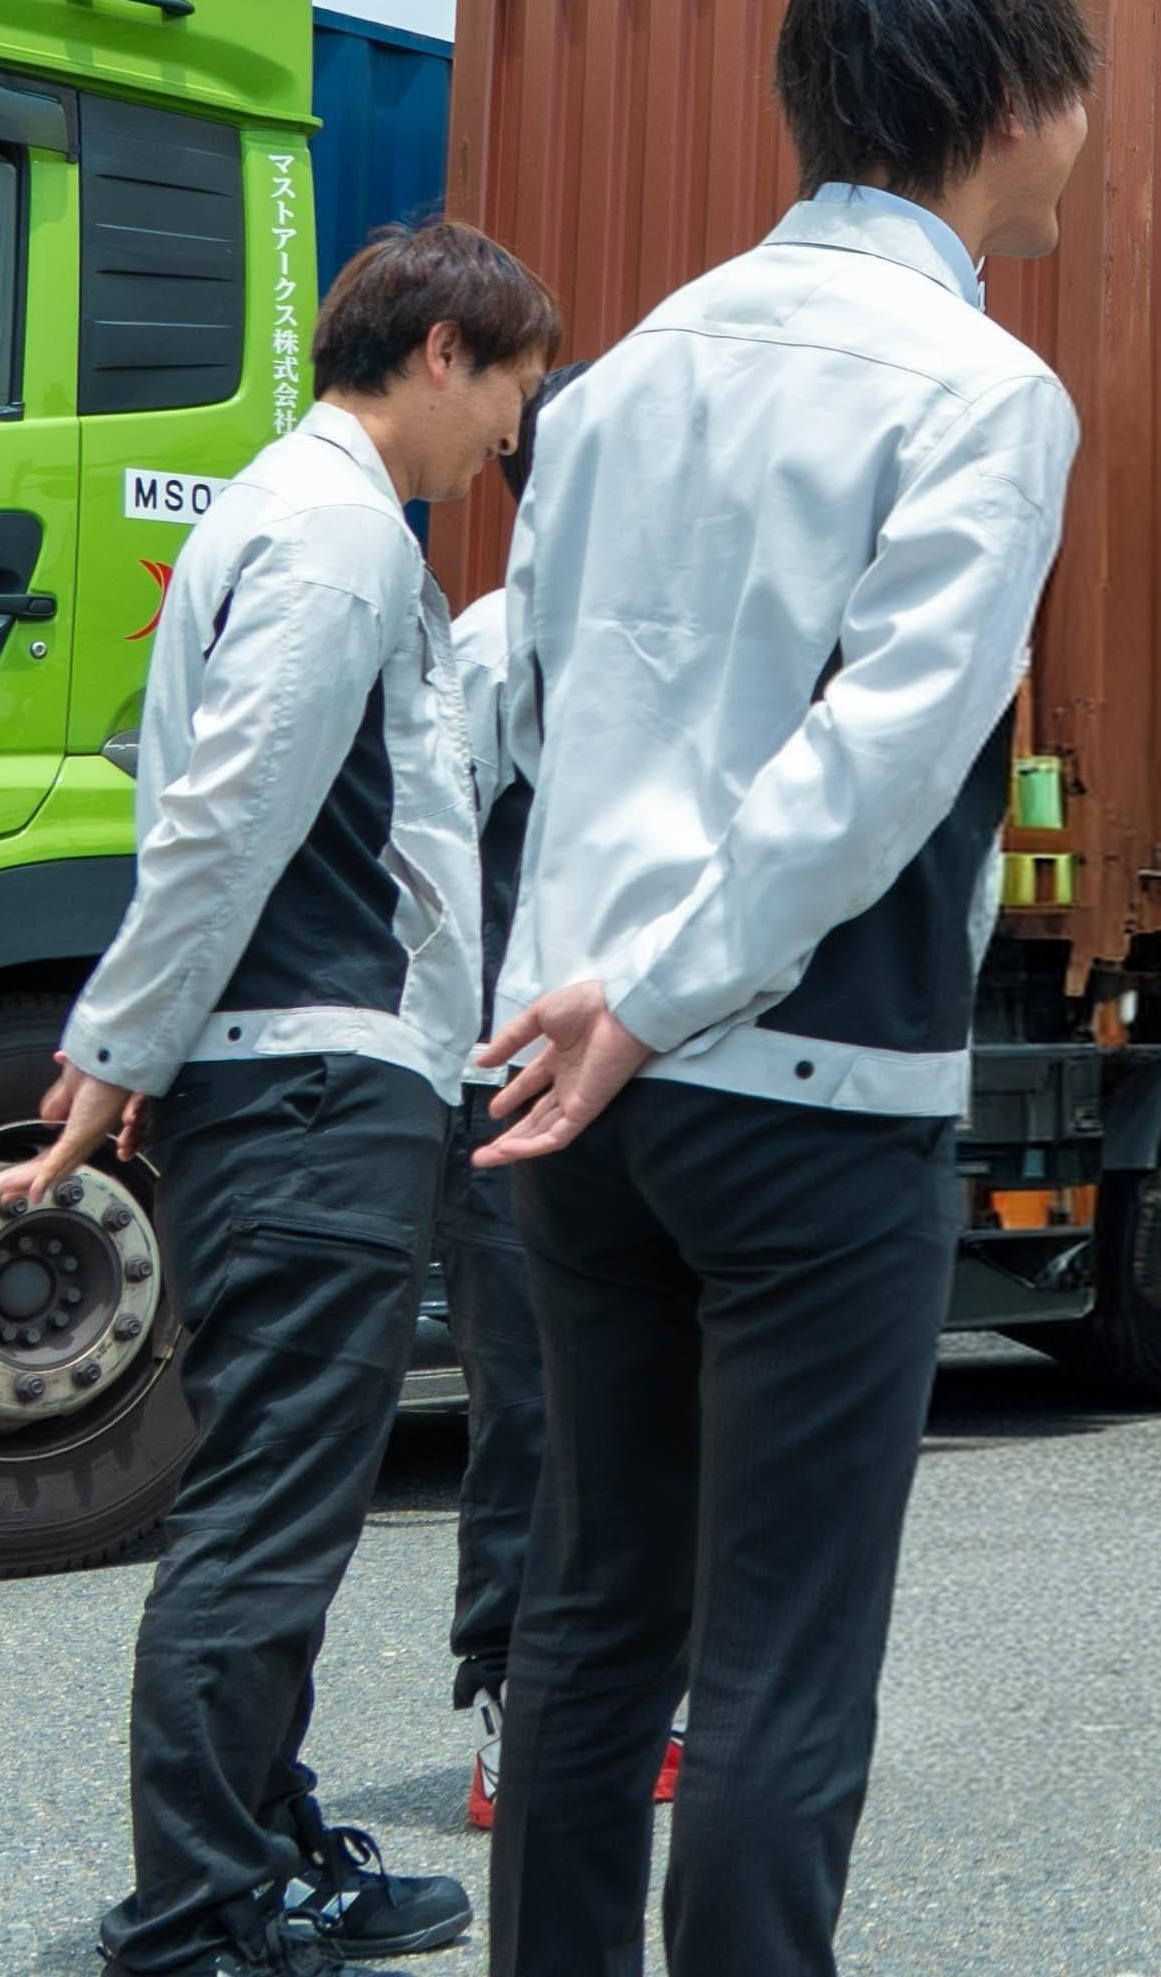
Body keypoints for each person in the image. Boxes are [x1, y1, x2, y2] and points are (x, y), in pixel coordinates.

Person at [473, 0, 1093, 1976]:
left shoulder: (625, 374)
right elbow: (881, 764)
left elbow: (535, 712)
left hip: (572, 1071)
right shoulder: (985, 392)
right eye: (1073, 87)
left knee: (591, 1617)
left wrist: (604, 997)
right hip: (806, 1085)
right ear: (1008, 99)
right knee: (778, 1671)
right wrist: (668, 995)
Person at [16, 221, 560, 1976]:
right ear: (446, 350)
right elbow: (231, 808)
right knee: (266, 1510)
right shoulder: (335, 534)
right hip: (312, 1074)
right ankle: (198, 1908)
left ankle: (262, 1843)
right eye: (512, 393)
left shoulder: (295, 513)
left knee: (289, 1498)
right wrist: (117, 1043)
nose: (506, 441)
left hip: (296, 1075)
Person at [432, 363, 679, 1838]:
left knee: (659, 1401)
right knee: (534, 1403)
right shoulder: (489, 648)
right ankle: (516, 1701)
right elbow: (433, 875)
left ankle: (663, 1692)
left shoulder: (687, 648)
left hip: (662, 1072)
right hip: (518, 1087)